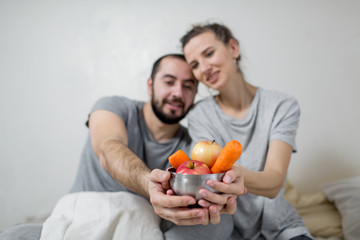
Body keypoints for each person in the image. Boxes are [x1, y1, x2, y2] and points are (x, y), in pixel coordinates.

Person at [0, 53, 235, 240]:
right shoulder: (113, 106)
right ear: (150, 85)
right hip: (85, 217)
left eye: (188, 86)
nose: (177, 93)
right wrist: (147, 183)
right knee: (14, 236)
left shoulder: (191, 145)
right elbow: (108, 147)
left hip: (144, 225)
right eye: (169, 82)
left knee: (223, 223)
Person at [180, 23, 313, 239]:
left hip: (282, 229)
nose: (204, 68)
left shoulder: (281, 106)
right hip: (230, 231)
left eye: (209, 53)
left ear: (233, 48)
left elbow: (274, 182)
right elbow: (209, 176)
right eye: (195, 64)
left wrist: (238, 175)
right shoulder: (199, 115)